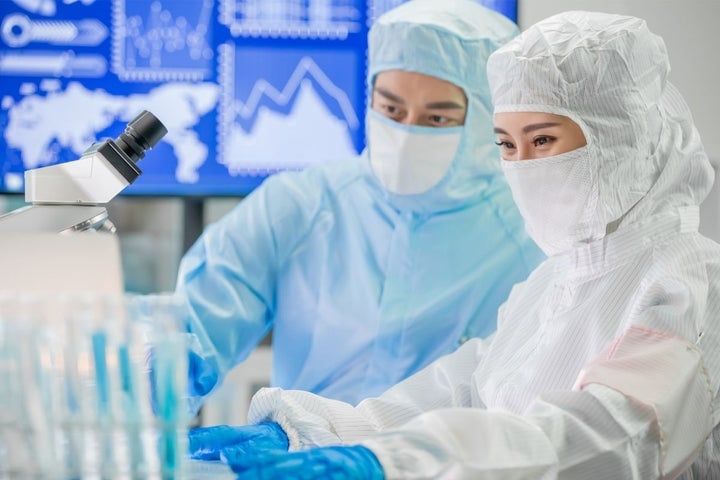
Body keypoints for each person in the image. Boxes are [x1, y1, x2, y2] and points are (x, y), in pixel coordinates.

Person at [187, 10, 720, 479]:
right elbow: (464, 388)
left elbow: (618, 432)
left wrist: (397, 462)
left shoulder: (686, 279)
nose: (523, 167)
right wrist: (317, 431)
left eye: (542, 140)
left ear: (620, 135)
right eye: (507, 145)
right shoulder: (555, 281)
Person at [176, 0, 542, 411]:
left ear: (487, 120)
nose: (405, 134)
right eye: (391, 109)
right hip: (301, 465)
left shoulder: (534, 235)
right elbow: (194, 326)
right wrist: (146, 373)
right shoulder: (301, 205)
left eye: (436, 119)